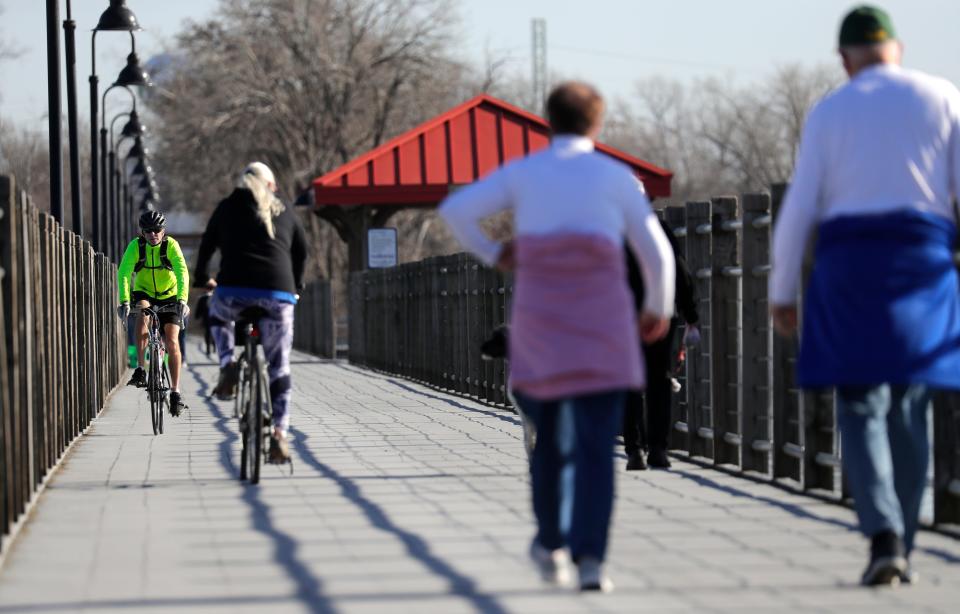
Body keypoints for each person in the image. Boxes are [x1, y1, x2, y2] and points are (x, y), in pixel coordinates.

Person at [440, 81, 674, 592]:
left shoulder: (526, 173)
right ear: (597, 123)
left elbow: (456, 210)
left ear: (549, 120)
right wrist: (658, 307)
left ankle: (550, 542)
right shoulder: (614, 179)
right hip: (605, 330)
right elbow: (657, 252)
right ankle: (593, 559)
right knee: (596, 449)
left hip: (543, 328)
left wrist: (495, 252)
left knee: (549, 444)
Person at [770, 5, 960, 587]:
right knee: (910, 401)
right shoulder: (943, 96)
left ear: (844, 59)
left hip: (849, 264)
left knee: (860, 402)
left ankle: (880, 533)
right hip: (922, 261)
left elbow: (801, 203)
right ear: (897, 49)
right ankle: (904, 531)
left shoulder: (831, 111)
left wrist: (782, 289)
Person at [194, 162, 308, 463]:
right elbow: (302, 249)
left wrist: (202, 278)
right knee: (280, 367)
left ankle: (228, 363)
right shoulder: (284, 209)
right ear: (271, 186)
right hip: (278, 294)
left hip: (234, 291)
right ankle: (280, 433)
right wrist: (296, 285)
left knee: (217, 312)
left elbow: (207, 245)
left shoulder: (226, 207)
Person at [623, 220, 700, 470]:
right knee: (659, 380)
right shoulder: (659, 228)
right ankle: (658, 448)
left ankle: (635, 450)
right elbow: (678, 269)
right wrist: (691, 314)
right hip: (660, 314)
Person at [116, 210, 191, 416]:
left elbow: (182, 272)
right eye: (148, 231)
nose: (153, 234)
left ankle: (175, 392)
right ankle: (141, 368)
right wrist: (124, 300)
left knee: (172, 341)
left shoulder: (171, 246)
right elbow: (124, 273)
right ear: (142, 232)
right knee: (142, 314)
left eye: (157, 230)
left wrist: (182, 300)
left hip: (170, 294)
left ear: (163, 230)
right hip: (145, 292)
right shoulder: (136, 246)